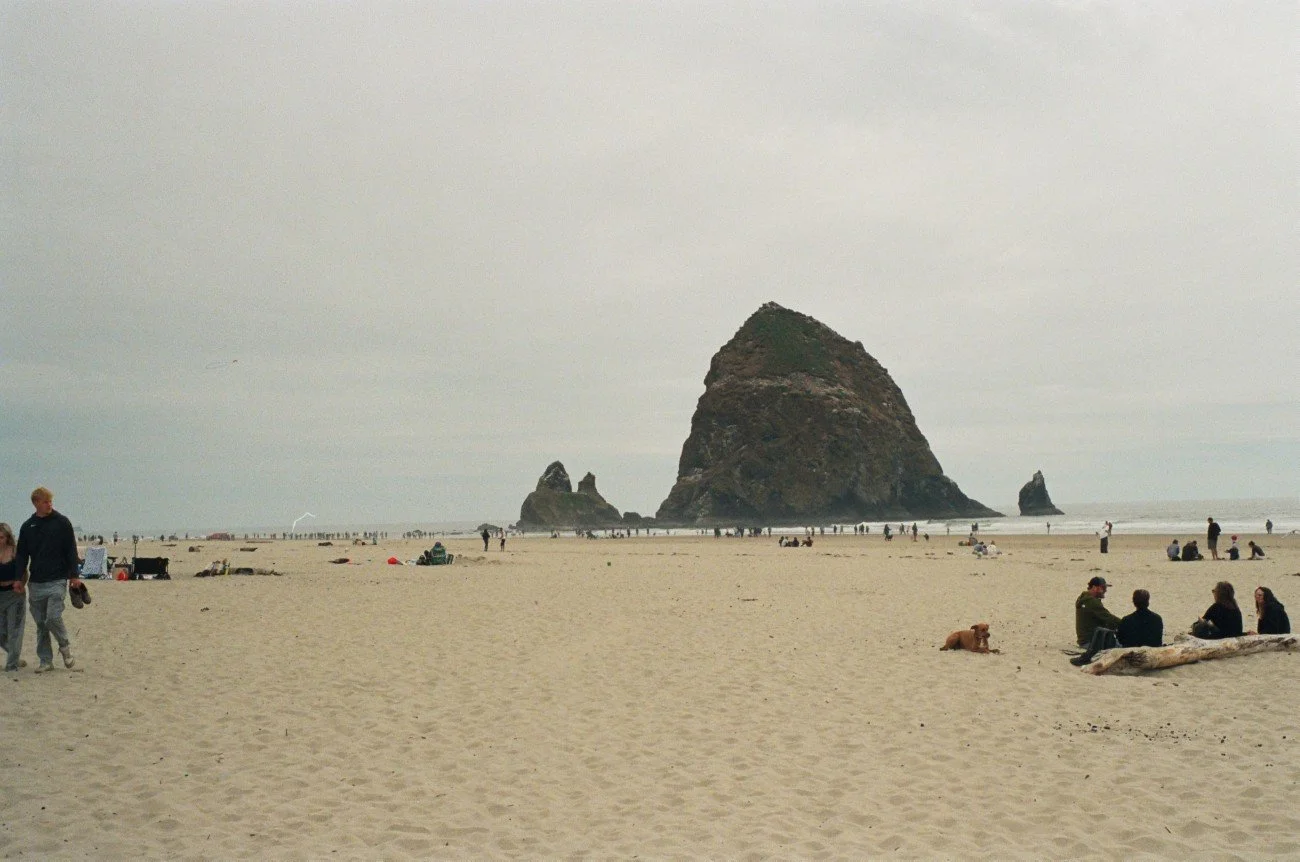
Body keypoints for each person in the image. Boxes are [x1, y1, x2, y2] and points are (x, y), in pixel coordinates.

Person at [15, 487, 82, 672]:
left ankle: (65, 647)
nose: (49, 505)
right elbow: (21, 555)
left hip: (57, 579)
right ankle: (46, 661)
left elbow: (71, 550)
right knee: (41, 624)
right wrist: (18, 579)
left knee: (53, 617)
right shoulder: (28, 526)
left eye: (51, 501)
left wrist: (74, 575)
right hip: (36, 582)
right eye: (45, 502)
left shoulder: (62, 522)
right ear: (36, 503)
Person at [1071, 576, 1122, 665]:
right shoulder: (1091, 602)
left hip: (1084, 639)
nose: (1105, 590)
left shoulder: (1084, 598)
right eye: (1103, 588)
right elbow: (1108, 618)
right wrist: (1126, 624)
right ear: (1094, 588)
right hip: (1090, 641)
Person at [0, 523, 26, 672]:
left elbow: (24, 572)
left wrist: (21, 584)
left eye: (1, 537)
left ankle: (12, 665)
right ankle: (14, 655)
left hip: (14, 595)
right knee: (1, 633)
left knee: (14, 630)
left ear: (8, 537)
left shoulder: (15, 552)